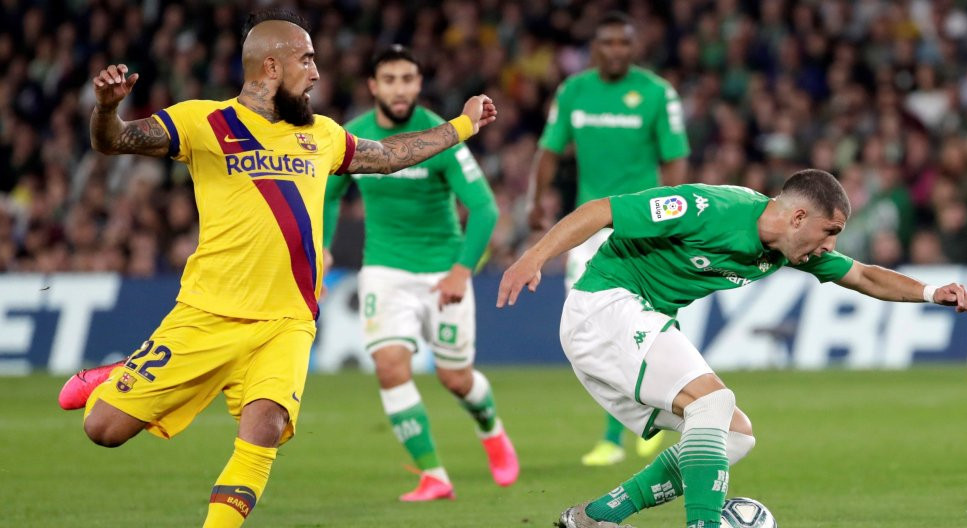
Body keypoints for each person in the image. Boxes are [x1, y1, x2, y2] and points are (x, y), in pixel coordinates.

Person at [56, 8, 497, 527]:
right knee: (103, 429)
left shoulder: (323, 134)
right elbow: (114, 140)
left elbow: (389, 155)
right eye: (306, 60)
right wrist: (105, 110)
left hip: (287, 320)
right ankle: (121, 375)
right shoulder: (202, 121)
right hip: (208, 313)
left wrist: (463, 124)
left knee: (263, 426)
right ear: (270, 66)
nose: (316, 72)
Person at [497, 170, 967, 528]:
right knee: (711, 401)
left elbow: (865, 275)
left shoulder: (787, 249)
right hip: (606, 305)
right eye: (829, 232)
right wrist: (533, 257)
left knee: (733, 434)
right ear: (799, 216)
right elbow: (603, 210)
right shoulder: (711, 207)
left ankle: (598, 516)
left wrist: (933, 293)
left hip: (637, 323)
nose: (830, 244)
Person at [323, 45, 518, 502]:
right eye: (388, 79)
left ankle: (492, 429)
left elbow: (485, 209)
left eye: (407, 78)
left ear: (419, 84)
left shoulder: (442, 136)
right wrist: (323, 248)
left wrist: (460, 272)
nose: (398, 87)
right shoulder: (353, 137)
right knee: (390, 367)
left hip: (442, 273)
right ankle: (433, 474)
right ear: (373, 86)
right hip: (384, 270)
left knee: (456, 378)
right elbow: (329, 195)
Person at [526, 11, 690, 466]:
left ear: (634, 47)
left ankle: (639, 423)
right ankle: (620, 433)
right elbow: (549, 150)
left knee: (648, 323)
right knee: (593, 329)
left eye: (624, 43)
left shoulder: (657, 92)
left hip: (644, 227)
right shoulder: (574, 91)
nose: (616, 50)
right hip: (589, 225)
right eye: (608, 43)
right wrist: (536, 199)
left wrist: (673, 218)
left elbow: (675, 160)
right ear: (593, 47)